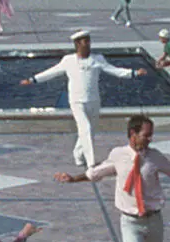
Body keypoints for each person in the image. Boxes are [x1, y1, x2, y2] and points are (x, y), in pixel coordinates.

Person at [21, 31, 146, 168]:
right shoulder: (68, 60)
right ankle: (92, 163)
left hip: (93, 100)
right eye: (85, 41)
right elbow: (51, 72)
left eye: (89, 41)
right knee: (85, 128)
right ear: (77, 44)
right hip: (76, 101)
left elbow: (114, 70)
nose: (88, 44)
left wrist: (133, 73)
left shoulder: (98, 59)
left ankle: (78, 153)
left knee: (90, 131)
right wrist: (33, 79)